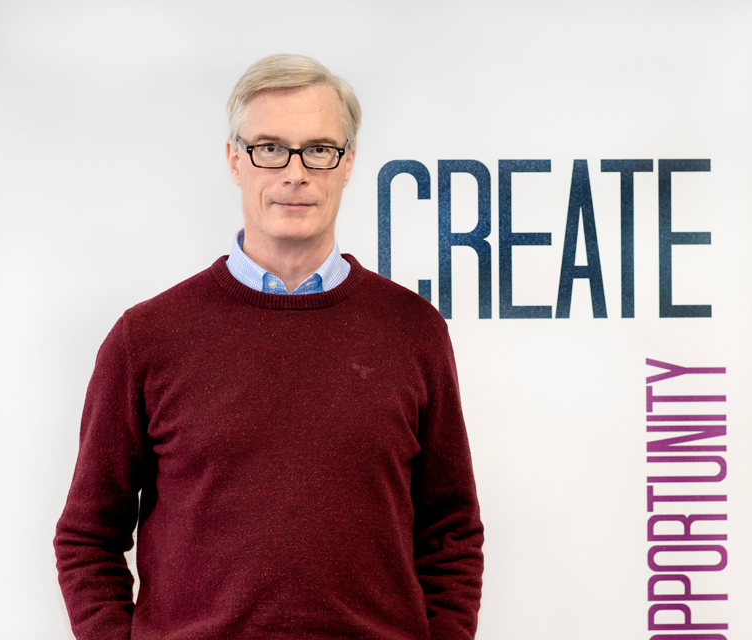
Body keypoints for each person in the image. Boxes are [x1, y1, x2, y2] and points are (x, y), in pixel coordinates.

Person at [54, 54, 484, 640]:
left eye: (319, 150)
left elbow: (451, 532)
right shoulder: (147, 338)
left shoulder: (413, 330)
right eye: (270, 148)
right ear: (235, 159)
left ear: (348, 162)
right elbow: (87, 535)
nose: (295, 172)